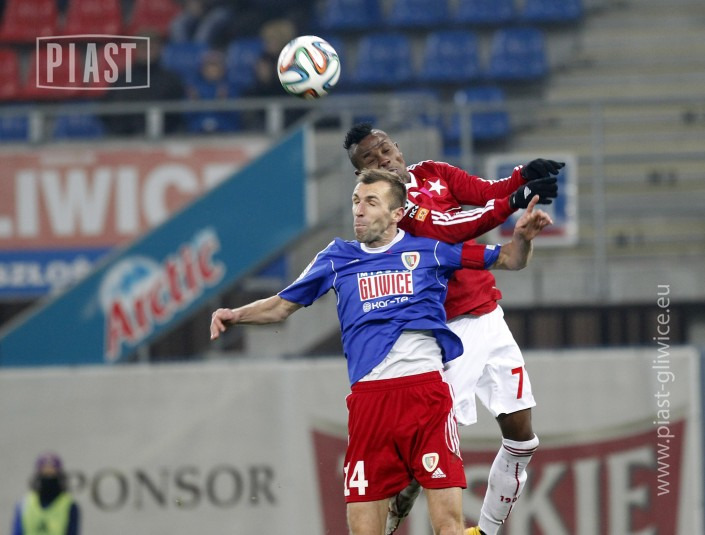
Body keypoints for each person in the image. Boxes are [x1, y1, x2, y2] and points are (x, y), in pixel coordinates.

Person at [210, 169, 553, 535]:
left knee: (449, 525)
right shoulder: (336, 258)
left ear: (396, 213)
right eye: (356, 201)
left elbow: (509, 259)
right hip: (369, 405)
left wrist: (522, 238)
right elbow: (281, 306)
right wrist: (236, 315)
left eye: (371, 202)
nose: (359, 210)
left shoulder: (430, 250)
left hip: (426, 400)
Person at [343, 123, 564, 535]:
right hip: (445, 333)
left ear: (398, 148)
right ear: (363, 174)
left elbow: (482, 192)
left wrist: (521, 176)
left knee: (522, 439)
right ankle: (395, 508)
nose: (383, 160)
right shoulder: (394, 211)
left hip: (488, 316)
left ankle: (485, 531)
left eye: (385, 149)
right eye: (370, 160)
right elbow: (451, 229)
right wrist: (512, 202)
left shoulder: (433, 172)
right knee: (431, 445)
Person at [11, 452, 80, 535]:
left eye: (52, 473)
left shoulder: (69, 505)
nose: (48, 477)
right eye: (45, 473)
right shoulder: (25, 504)